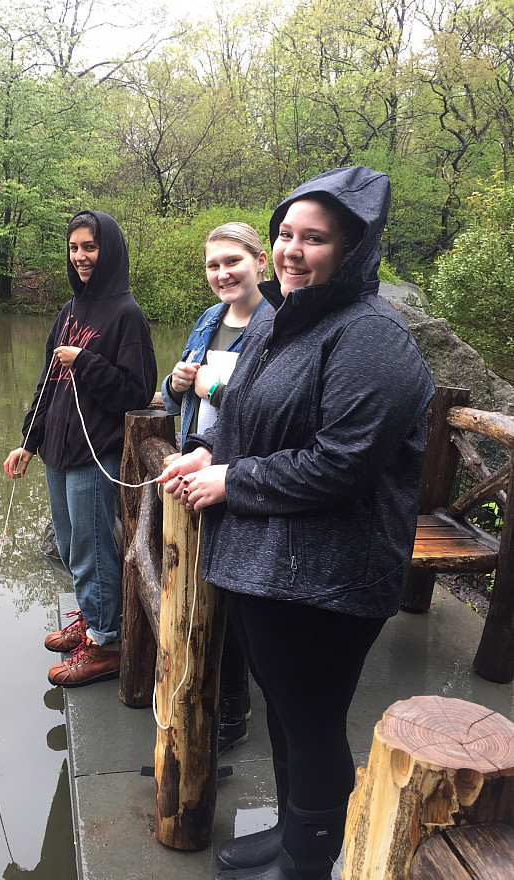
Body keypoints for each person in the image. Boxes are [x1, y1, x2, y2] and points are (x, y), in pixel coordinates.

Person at [157, 166, 434, 880]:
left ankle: (309, 861)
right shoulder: (284, 320)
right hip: (263, 558)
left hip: (330, 575)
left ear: (354, 249)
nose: (291, 250)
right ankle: (290, 831)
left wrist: (231, 478)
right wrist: (205, 453)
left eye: (315, 239)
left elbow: (342, 463)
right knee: (281, 706)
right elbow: (250, 419)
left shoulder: (373, 338)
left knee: (310, 720)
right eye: (285, 233)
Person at [4, 210, 157, 688]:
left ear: (107, 249)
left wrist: (86, 361)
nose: (81, 256)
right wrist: (28, 443)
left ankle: (106, 642)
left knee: (93, 549)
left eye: (89, 247)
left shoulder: (127, 315)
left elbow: (136, 391)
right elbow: (48, 385)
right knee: (71, 546)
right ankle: (92, 621)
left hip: (96, 453)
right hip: (58, 450)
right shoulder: (68, 312)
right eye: (74, 248)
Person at [162, 222, 269, 755]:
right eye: (213, 265)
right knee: (200, 585)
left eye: (233, 261)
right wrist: (177, 382)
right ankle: (203, 693)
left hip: (241, 475)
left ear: (260, 263)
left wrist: (216, 387)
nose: (223, 273)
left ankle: (233, 711)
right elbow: (176, 393)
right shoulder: (210, 320)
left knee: (231, 596)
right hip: (198, 460)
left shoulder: (276, 326)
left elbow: (275, 412)